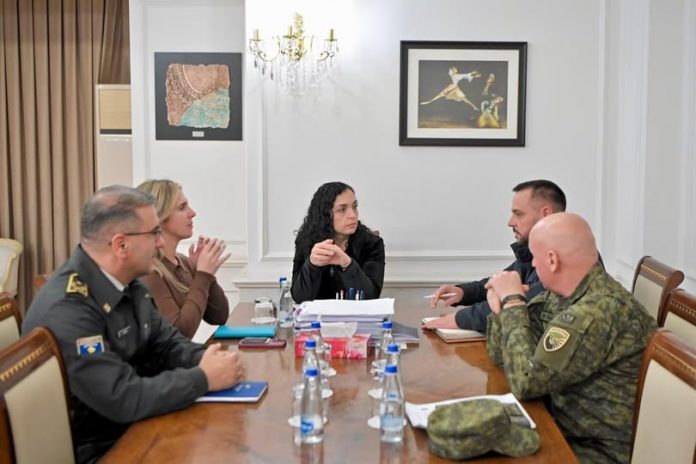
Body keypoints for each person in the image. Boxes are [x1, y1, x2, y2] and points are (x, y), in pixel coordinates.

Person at [22, 186, 244, 463]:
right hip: (103, 449)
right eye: (153, 234)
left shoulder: (127, 283)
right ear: (120, 245)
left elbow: (166, 344)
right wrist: (203, 378)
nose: (160, 243)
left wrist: (210, 359)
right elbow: (120, 396)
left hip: (135, 428)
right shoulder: (69, 308)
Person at [485, 213, 656, 463]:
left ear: (552, 260)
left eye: (534, 257)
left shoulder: (596, 312)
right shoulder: (563, 295)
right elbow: (501, 355)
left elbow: (525, 383)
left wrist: (513, 302)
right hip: (561, 426)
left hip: (597, 450)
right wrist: (501, 306)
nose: (533, 265)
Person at [424, 180, 566, 333]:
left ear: (546, 214)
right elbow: (498, 283)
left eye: (518, 214)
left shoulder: (566, 257)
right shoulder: (532, 253)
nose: (510, 222)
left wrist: (458, 319)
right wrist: (463, 293)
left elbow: (525, 303)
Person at [137, 179, 229, 338]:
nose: (192, 213)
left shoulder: (184, 262)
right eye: (182, 207)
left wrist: (205, 274)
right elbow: (179, 333)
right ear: (159, 217)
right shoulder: (149, 271)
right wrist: (203, 275)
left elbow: (219, 316)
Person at [291, 181, 385, 303]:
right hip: (318, 315)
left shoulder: (372, 244)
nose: (353, 215)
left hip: (355, 315)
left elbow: (370, 297)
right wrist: (312, 265)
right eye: (342, 209)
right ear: (325, 214)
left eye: (354, 206)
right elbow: (300, 298)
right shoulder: (306, 241)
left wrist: (347, 264)